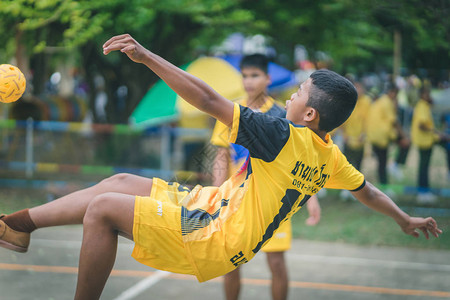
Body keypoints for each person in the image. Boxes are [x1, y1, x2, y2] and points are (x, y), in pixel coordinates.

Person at [0, 34, 441, 300]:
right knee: (118, 182)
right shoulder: (329, 154)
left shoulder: (283, 136)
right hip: (216, 209)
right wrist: (404, 219)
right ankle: (17, 225)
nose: (290, 96)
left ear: (310, 115)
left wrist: (147, 57)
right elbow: (369, 192)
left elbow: (209, 100)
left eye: (299, 92)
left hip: (215, 232)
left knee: (103, 209)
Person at [210, 54, 320, 300]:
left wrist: (311, 198)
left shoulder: (284, 115)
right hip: (235, 200)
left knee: (277, 263)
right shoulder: (229, 111)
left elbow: (300, 161)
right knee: (230, 263)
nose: (249, 81)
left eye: (255, 75)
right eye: (245, 76)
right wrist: (215, 193)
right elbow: (221, 156)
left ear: (267, 78)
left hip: (272, 202)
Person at [411, 87, 449, 203]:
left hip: (426, 140)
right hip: (424, 141)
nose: (429, 96)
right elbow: (421, 125)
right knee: (423, 166)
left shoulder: (424, 105)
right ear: (422, 95)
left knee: (424, 166)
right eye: (427, 94)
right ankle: (423, 192)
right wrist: (435, 132)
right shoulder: (422, 105)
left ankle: (424, 191)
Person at [367, 82, 410, 185]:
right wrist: (404, 136)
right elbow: (394, 121)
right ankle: (395, 165)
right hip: (383, 134)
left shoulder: (380, 101)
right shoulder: (387, 102)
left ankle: (384, 184)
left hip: (374, 135)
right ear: (393, 93)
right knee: (407, 143)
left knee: (382, 162)